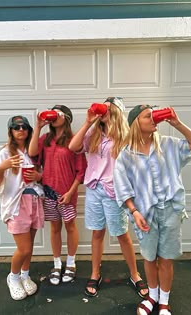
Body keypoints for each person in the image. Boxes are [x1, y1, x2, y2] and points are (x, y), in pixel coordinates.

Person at [113, 105, 191, 315]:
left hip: (171, 210)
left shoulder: (168, 144)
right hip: (144, 214)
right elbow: (123, 188)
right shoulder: (125, 156)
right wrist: (134, 212)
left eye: (154, 114)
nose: (154, 118)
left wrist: (177, 123)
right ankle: (152, 297)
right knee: (150, 258)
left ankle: (164, 301)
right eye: (148, 116)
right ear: (136, 123)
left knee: (166, 258)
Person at [68, 97, 148, 298]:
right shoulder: (94, 133)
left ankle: (135, 274)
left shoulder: (126, 136)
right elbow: (73, 146)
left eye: (110, 110)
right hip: (95, 188)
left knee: (122, 235)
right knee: (97, 233)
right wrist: (89, 121)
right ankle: (95, 273)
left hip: (115, 191)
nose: (105, 112)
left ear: (117, 113)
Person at [28, 105, 87, 285]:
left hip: (67, 194)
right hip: (49, 192)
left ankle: (71, 263)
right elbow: (32, 153)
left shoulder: (73, 140)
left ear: (66, 118)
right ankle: (56, 264)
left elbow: (81, 171)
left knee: (70, 227)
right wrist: (38, 126)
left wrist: (70, 192)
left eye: (58, 113)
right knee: (54, 227)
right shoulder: (45, 139)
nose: (54, 116)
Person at [0, 115, 44, 301]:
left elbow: (42, 174)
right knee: (24, 248)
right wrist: (1, 168)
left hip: (34, 201)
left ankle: (25, 275)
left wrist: (38, 176)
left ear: (29, 130)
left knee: (30, 245)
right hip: (17, 204)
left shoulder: (32, 150)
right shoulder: (5, 152)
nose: (21, 130)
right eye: (16, 127)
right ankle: (13, 277)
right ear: (11, 131)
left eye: (24, 127)